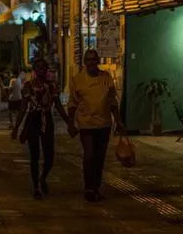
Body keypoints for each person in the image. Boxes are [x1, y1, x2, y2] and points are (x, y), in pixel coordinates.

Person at [68, 48, 125, 202]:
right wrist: (71, 123)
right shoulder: (78, 79)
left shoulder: (106, 78)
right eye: (88, 60)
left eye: (94, 59)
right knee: (89, 155)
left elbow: (112, 102)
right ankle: (89, 187)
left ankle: (96, 187)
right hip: (86, 124)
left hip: (104, 124)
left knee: (99, 157)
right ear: (84, 62)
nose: (91, 63)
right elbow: (72, 103)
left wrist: (118, 121)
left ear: (98, 61)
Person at [11, 58, 70, 199]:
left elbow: (58, 105)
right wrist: (16, 127)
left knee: (49, 155)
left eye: (43, 68)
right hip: (33, 119)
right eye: (38, 68)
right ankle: (36, 187)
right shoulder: (28, 86)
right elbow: (23, 107)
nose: (41, 71)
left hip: (47, 119)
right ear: (35, 70)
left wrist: (69, 122)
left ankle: (43, 177)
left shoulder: (52, 86)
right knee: (34, 155)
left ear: (47, 69)